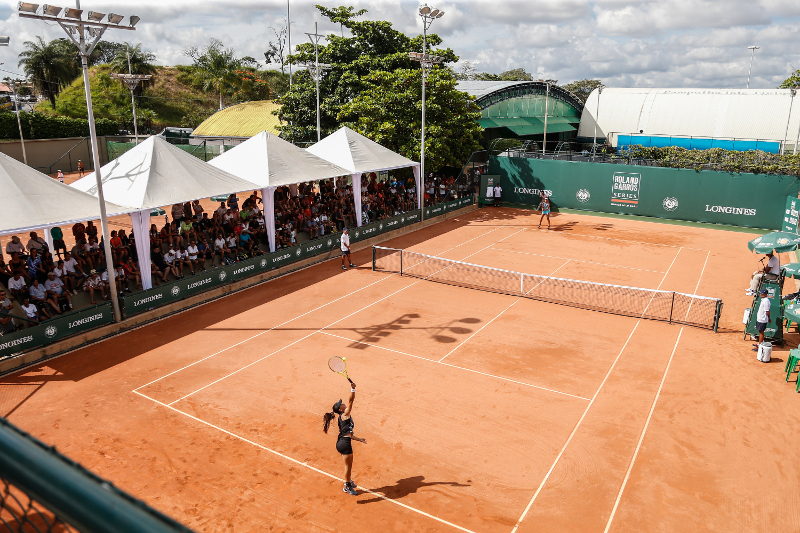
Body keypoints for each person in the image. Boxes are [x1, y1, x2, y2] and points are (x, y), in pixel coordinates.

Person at [322, 382, 366, 496]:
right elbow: (351, 401)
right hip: (344, 444)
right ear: (340, 410)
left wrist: (359, 439)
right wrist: (352, 389)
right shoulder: (345, 414)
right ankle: (347, 486)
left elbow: (348, 434)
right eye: (340, 404)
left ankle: (348, 481)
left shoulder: (343, 417)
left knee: (348, 466)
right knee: (348, 467)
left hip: (342, 442)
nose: (342, 404)